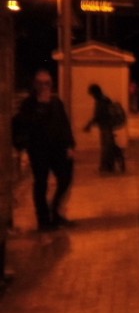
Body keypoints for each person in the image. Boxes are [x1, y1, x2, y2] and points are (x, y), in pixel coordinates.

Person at [11, 69, 76, 231]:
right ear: (34, 85)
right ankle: (44, 220)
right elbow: (26, 125)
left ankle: (56, 212)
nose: (44, 86)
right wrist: (41, 105)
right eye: (40, 83)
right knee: (41, 183)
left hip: (58, 149)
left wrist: (70, 145)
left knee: (65, 178)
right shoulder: (29, 104)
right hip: (39, 150)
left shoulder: (56, 102)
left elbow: (64, 124)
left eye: (47, 83)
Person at [83, 83, 125, 173]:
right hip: (106, 125)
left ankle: (107, 165)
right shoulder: (104, 99)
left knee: (107, 147)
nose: (92, 96)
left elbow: (98, 115)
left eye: (92, 94)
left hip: (106, 126)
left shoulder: (102, 101)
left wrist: (89, 124)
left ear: (95, 92)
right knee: (108, 146)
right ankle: (110, 164)